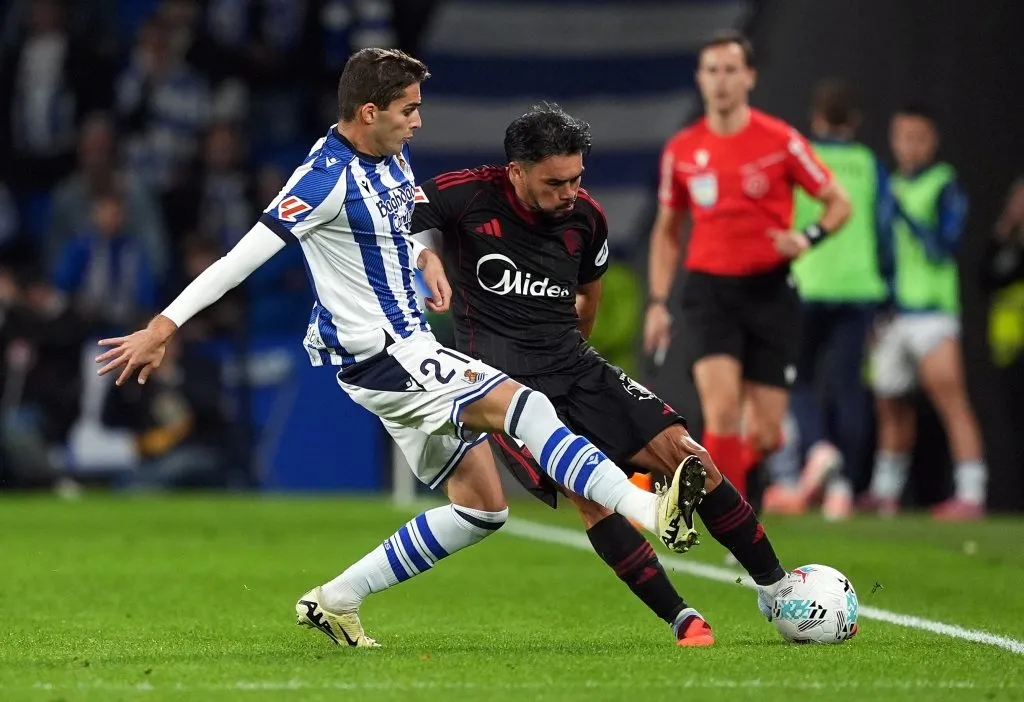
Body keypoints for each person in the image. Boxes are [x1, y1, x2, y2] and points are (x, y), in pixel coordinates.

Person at [94, 48, 698, 648]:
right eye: (408, 109)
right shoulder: (323, 180)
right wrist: (162, 327)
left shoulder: (391, 154)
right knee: (527, 406)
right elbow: (241, 257)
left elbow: (396, 224)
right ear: (369, 111)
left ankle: (336, 599)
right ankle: (652, 511)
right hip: (384, 355)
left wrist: (424, 256)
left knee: (482, 509)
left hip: (407, 347)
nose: (418, 121)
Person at [409, 103, 790, 647]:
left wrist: (574, 351)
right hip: (503, 387)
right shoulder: (466, 193)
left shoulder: (587, 218)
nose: (570, 191)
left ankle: (778, 590)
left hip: (573, 363)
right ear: (516, 172)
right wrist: (425, 255)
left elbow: (589, 295)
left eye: (576, 178)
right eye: (555, 182)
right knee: (591, 495)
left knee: (692, 458)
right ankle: (682, 618)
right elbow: (393, 217)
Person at [643, 31, 851, 500]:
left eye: (731, 70)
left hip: (770, 293)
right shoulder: (682, 149)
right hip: (709, 294)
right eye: (712, 71)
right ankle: (730, 525)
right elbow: (666, 231)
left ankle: (727, 493)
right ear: (700, 78)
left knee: (765, 434)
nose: (721, 81)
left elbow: (839, 203)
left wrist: (806, 237)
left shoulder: (781, 141)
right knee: (721, 412)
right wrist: (657, 302)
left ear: (750, 77)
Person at [763, 80, 887, 520]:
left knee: (798, 379)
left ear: (816, 117)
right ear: (855, 120)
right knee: (850, 386)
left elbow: (779, 215)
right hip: (859, 287)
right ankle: (843, 487)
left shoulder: (801, 156)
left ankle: (818, 449)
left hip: (810, 283)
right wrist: (885, 284)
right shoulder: (869, 163)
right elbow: (884, 226)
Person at [860, 105, 987, 520]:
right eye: (903, 137)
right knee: (890, 407)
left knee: (951, 400)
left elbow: (944, 247)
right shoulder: (890, 187)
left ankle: (971, 492)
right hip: (894, 316)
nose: (910, 146)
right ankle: (885, 492)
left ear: (932, 141)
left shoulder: (943, 184)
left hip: (932, 313)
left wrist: (905, 215)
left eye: (918, 138)